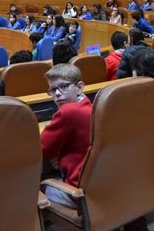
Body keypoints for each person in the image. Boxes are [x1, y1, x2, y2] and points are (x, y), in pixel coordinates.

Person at [41, 64, 92, 208]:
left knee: (37, 189)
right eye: (52, 89)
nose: (57, 93)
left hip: (79, 192)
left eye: (63, 86)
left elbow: (42, 150)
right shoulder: (92, 106)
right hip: (100, 186)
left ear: (80, 87)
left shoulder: (68, 111)